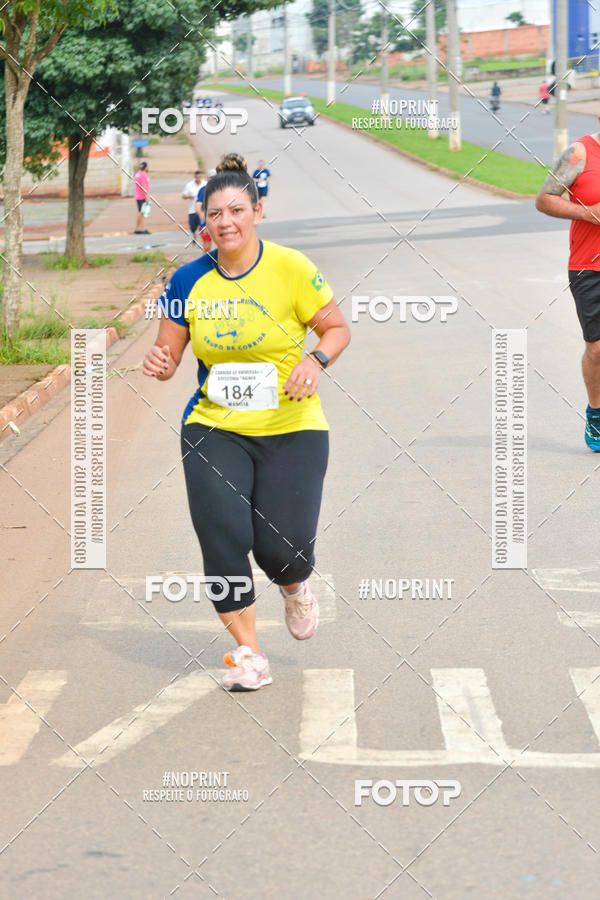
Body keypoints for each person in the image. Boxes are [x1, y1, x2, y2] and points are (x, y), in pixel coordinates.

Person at [142, 153, 351, 690]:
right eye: (215, 213)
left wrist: (315, 360)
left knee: (282, 549)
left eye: (237, 209)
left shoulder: (292, 268)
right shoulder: (188, 280)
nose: (226, 221)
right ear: (203, 220)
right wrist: (160, 363)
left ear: (257, 211)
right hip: (214, 426)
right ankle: (249, 654)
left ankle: (295, 583)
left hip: (292, 426)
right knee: (223, 536)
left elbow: (335, 330)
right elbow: (167, 356)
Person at [536, 127, 600, 449]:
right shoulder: (579, 153)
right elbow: (545, 200)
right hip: (590, 268)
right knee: (598, 349)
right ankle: (597, 414)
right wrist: (589, 213)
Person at [194, 167, 215, 253]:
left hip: (219, 221)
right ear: (209, 178)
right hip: (206, 222)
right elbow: (198, 204)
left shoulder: (222, 189)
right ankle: (206, 264)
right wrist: (202, 215)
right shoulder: (204, 190)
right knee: (207, 246)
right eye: (212, 178)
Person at [182, 169, 206, 243]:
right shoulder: (189, 185)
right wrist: (189, 197)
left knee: (202, 225)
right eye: (197, 177)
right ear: (195, 177)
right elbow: (183, 196)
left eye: (199, 177)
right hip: (192, 209)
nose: (198, 178)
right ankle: (194, 235)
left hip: (202, 209)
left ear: (202, 176)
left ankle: (203, 239)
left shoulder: (205, 184)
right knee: (192, 225)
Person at [133, 161, 150, 235]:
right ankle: (142, 228)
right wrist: (146, 197)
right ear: (145, 167)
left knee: (140, 212)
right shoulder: (143, 175)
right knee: (142, 213)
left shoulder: (138, 174)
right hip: (142, 196)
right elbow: (143, 186)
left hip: (138, 195)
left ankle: (137, 228)